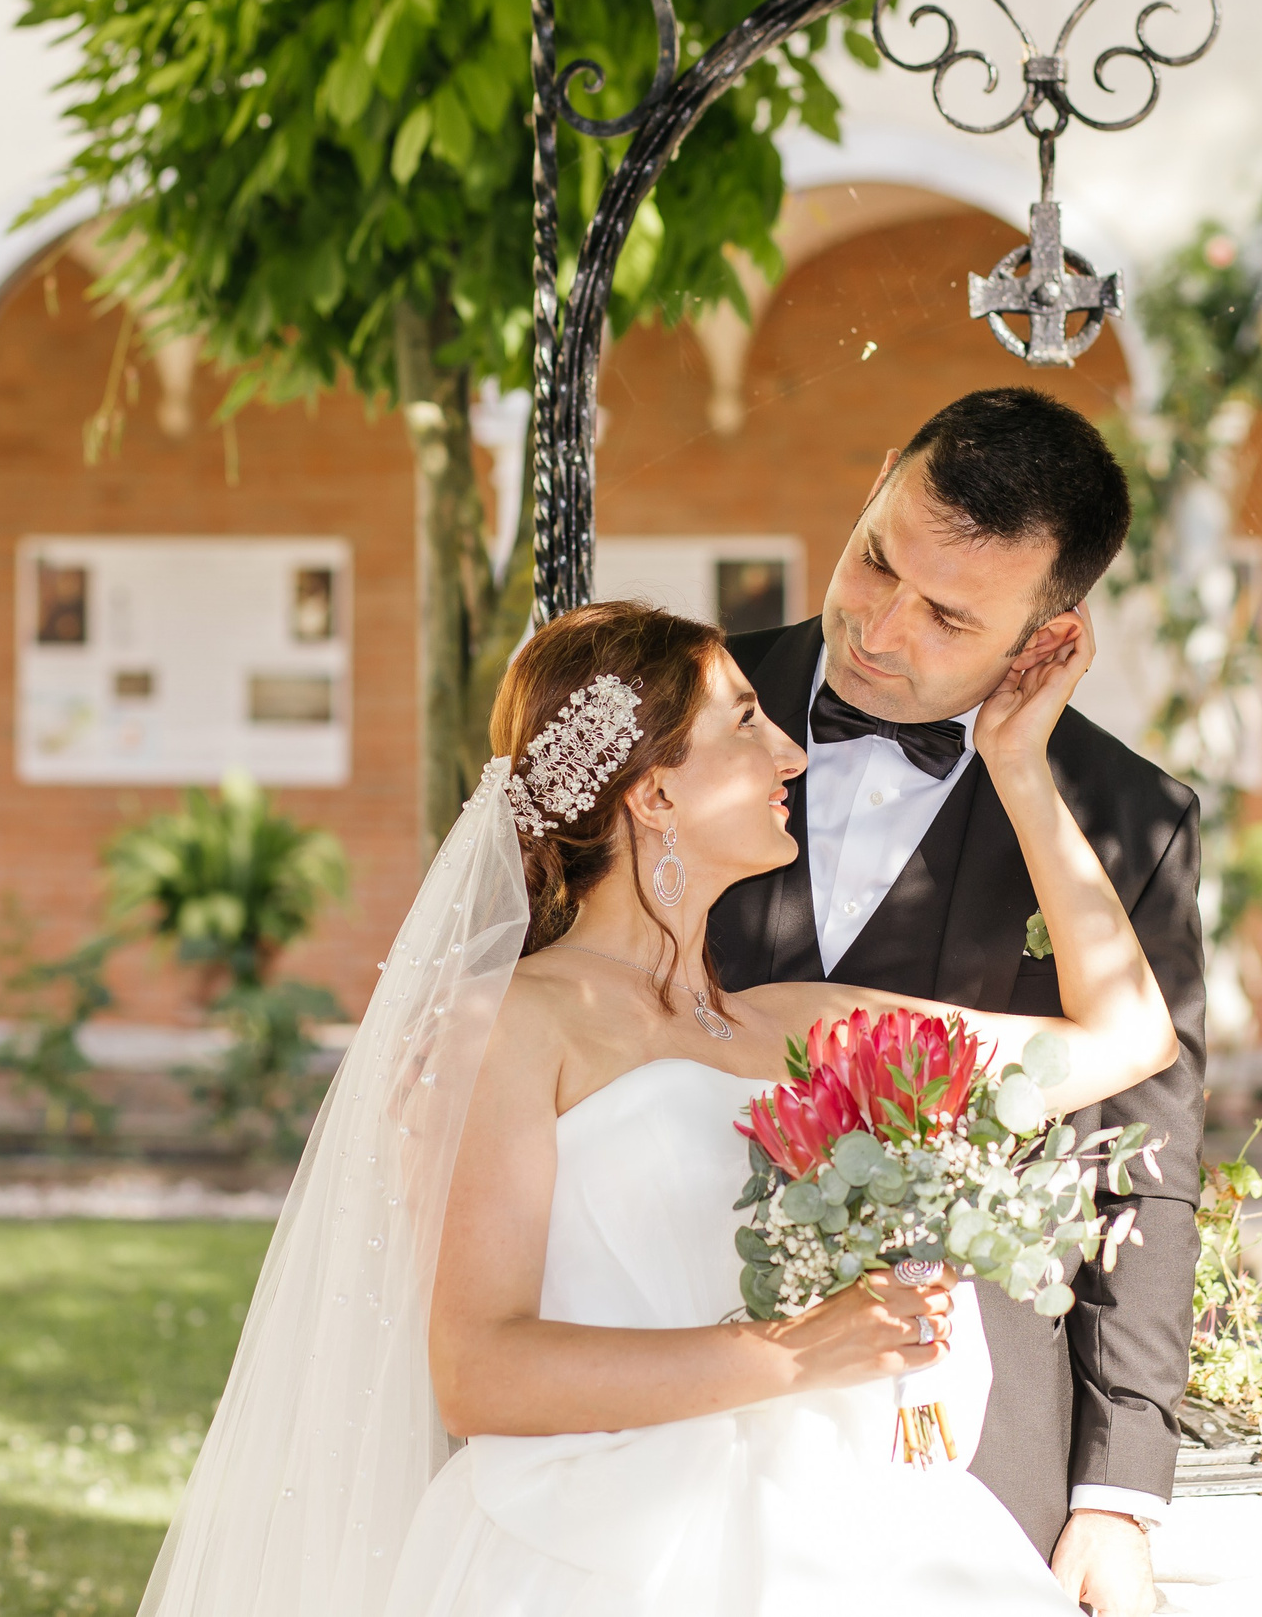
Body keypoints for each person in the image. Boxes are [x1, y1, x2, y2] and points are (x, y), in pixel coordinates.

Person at [131, 597, 1177, 1616]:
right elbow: (477, 1373)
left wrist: (1018, 765)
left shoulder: (799, 1023)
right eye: (744, 724)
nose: (792, 755)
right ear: (651, 794)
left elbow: (1129, 1037)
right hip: (604, 1548)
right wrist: (795, 1352)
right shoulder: (500, 1026)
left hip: (849, 1524)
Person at [709, 386, 1205, 1617]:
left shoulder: (1130, 820)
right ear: (880, 476)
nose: (877, 627)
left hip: (975, 1440)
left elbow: (1140, 1153)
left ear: (1045, 636)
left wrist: (1117, 1494)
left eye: (948, 616)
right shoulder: (675, 719)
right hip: (686, 1381)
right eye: (878, 559)